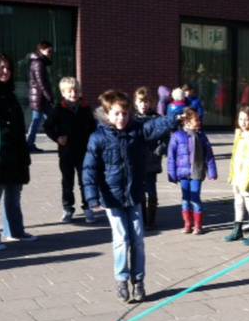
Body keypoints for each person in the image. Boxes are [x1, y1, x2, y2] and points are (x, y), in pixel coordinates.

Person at [83, 90, 176, 303]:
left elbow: (154, 127)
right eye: (116, 114)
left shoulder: (136, 130)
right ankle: (122, 280)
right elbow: (89, 168)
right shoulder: (98, 138)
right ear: (107, 113)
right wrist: (91, 197)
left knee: (138, 239)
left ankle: (139, 280)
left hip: (134, 195)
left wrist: (173, 118)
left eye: (125, 114)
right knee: (121, 239)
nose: (121, 118)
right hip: (112, 198)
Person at [0, 52, 36, 250]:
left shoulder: (9, 92)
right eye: (1, 68)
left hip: (15, 151)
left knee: (14, 194)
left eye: (8, 68)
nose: (6, 72)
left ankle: (15, 231)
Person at [43, 77, 97, 224]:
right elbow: (47, 126)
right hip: (66, 152)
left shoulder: (85, 108)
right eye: (70, 91)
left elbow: (93, 126)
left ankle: (87, 207)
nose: (73, 93)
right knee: (67, 181)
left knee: (84, 180)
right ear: (63, 93)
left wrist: (93, 141)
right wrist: (57, 137)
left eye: (76, 90)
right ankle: (68, 208)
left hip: (84, 152)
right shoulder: (59, 109)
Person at [166, 109, 217, 234]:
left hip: (197, 172)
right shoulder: (177, 136)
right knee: (185, 199)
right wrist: (171, 173)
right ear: (187, 122)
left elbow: (209, 155)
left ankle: (198, 225)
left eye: (199, 120)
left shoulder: (202, 136)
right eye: (196, 120)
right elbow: (171, 156)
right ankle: (187, 224)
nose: (199, 122)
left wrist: (212, 171)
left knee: (195, 198)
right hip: (183, 173)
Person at [224, 106, 249, 245]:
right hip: (237, 176)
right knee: (238, 202)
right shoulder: (239, 135)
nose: (243, 122)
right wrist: (232, 175)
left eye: (246, 119)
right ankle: (237, 229)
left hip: (247, 177)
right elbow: (235, 157)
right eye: (241, 119)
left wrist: (247, 180)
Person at [134, 87, 166, 229]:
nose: (144, 104)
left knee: (151, 192)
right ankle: (142, 219)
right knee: (140, 193)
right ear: (136, 102)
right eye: (141, 101)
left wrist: (159, 150)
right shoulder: (132, 119)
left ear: (151, 103)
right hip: (137, 162)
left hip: (151, 161)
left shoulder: (157, 118)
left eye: (146, 101)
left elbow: (165, 136)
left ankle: (151, 220)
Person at [26, 41, 54, 153]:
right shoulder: (38, 63)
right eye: (49, 51)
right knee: (38, 121)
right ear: (41, 50)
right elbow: (41, 83)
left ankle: (29, 144)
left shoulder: (40, 62)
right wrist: (49, 97)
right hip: (40, 98)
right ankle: (29, 144)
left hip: (40, 98)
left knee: (51, 120)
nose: (50, 53)